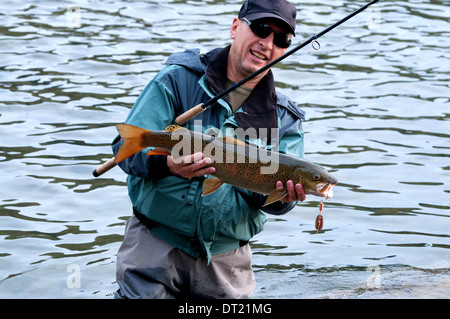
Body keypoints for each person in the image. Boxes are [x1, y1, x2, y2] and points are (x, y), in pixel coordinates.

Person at [112, 0, 306, 299]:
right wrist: (168, 166)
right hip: (154, 244)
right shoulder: (177, 80)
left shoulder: (285, 118)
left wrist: (284, 198)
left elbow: (272, 204)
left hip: (227, 261)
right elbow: (124, 149)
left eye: (280, 39)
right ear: (234, 27)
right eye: (261, 29)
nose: (267, 44)